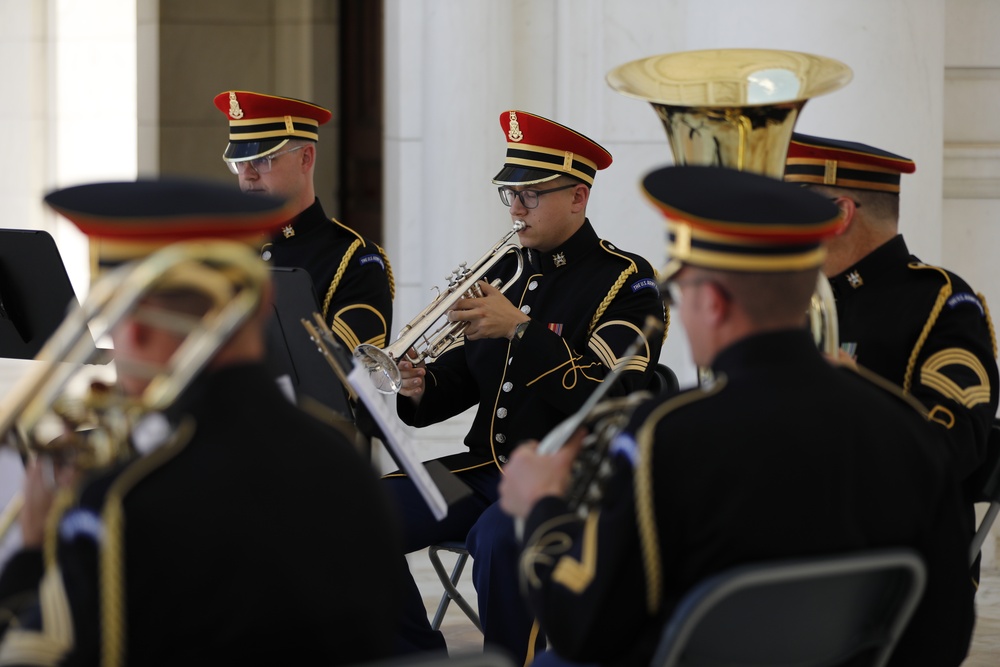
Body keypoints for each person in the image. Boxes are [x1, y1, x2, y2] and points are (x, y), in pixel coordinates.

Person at [499, 165, 975, 667]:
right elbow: (945, 634)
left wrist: (542, 507)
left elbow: (583, 627)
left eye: (680, 297)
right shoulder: (903, 425)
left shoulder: (666, 437)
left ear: (713, 302)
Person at [0, 179, 403, 666]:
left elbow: (32, 657)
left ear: (137, 328)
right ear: (259, 305)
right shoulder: (344, 463)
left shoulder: (123, 498)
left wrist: (31, 549)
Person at [386, 110, 667, 662]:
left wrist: (521, 329)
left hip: (571, 477)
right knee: (365, 512)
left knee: (499, 541)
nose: (516, 208)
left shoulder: (627, 280)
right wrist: (419, 386)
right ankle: (416, 655)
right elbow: (466, 380)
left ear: (578, 197)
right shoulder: (512, 274)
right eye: (509, 193)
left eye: (532, 194)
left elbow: (611, 394)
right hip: (484, 471)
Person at [785, 133, 999, 565]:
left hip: (896, 558)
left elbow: (953, 445)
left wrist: (856, 391)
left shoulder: (942, 300)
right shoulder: (791, 301)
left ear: (839, 215)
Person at [214, 90, 395, 353]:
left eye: (263, 160)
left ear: (306, 157)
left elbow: (344, 378)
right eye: (240, 163)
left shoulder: (354, 260)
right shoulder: (226, 248)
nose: (248, 175)